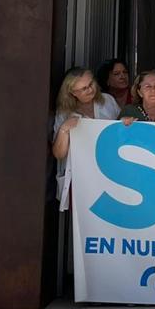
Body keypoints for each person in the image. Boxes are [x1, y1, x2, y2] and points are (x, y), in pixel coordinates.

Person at [51, 67, 120, 209]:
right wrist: (64, 129)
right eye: (84, 88)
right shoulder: (64, 112)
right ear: (72, 93)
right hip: (80, 178)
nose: (90, 90)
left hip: (108, 173)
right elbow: (59, 154)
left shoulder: (108, 101)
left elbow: (120, 134)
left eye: (91, 84)